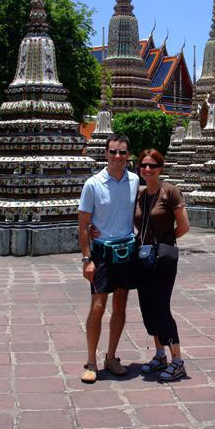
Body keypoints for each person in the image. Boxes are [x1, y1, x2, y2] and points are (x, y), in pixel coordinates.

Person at [78, 133, 139, 384]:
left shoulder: (134, 180)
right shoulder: (93, 184)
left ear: (128, 155)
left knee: (120, 305)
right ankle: (91, 361)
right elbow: (83, 225)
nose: (117, 156)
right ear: (105, 154)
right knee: (98, 306)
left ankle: (111, 357)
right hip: (102, 253)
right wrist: (86, 259)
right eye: (113, 151)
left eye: (122, 152)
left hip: (126, 250)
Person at [134, 148, 190, 381]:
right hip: (143, 256)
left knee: (161, 307)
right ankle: (160, 355)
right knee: (147, 307)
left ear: (161, 168)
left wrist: (165, 242)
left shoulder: (170, 192)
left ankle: (177, 360)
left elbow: (184, 226)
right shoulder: (139, 195)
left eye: (153, 166)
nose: (148, 169)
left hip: (163, 258)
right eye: (144, 165)